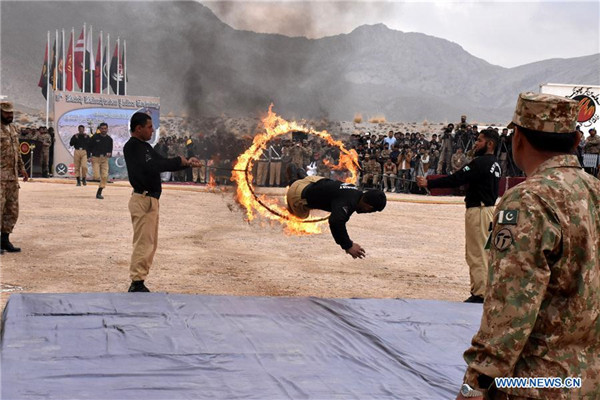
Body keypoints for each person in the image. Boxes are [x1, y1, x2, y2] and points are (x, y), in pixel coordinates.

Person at [456, 92, 600, 400]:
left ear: (517, 138)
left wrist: (475, 384)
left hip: (539, 384)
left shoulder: (528, 200)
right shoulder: (595, 191)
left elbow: (510, 308)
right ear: (576, 140)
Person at [417, 129, 501, 303]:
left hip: (478, 211)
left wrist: (429, 183)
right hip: (489, 210)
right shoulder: (495, 163)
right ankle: (486, 291)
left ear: (490, 144)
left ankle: (480, 294)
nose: (476, 143)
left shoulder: (481, 163)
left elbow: (456, 178)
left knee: (476, 254)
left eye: (479, 140)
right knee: (486, 254)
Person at [123, 112, 202, 292]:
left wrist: (187, 163)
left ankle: (139, 280)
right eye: (149, 127)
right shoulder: (133, 147)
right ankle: (136, 282)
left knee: (150, 242)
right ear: (138, 128)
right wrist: (177, 161)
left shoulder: (145, 147)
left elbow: (160, 161)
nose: (153, 130)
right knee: (144, 242)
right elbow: (154, 166)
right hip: (143, 200)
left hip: (150, 200)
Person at [285, 173, 386, 259]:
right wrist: (348, 246)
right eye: (371, 211)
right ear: (368, 207)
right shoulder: (349, 202)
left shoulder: (354, 190)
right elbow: (336, 222)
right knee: (301, 216)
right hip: (297, 194)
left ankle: (297, 175)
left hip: (308, 181)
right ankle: (292, 186)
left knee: (324, 182)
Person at [0, 101, 29, 254]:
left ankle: (4, 239)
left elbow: (16, 152)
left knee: (11, 210)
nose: (9, 115)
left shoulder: (13, 129)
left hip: (11, 177)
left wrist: (22, 169)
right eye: (6, 113)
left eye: (11, 113)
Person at [88, 122, 113, 199]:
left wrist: (109, 153)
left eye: (105, 128)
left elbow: (110, 149)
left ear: (107, 129)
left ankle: (99, 191)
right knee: (96, 176)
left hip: (104, 159)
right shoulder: (94, 137)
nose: (104, 130)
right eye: (102, 129)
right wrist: (89, 156)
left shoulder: (109, 139)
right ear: (99, 129)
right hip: (95, 158)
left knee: (105, 176)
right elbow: (89, 147)